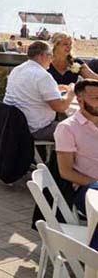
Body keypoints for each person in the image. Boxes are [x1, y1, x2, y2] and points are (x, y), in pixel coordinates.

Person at [3, 41, 75, 139]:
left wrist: (56, 88)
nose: (51, 60)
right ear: (42, 55)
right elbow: (60, 107)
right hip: (35, 128)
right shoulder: (42, 76)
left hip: (13, 124)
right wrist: (71, 92)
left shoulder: (18, 69)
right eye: (50, 55)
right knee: (78, 130)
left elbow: (31, 90)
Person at [55, 79, 98, 214]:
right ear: (79, 101)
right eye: (95, 98)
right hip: (88, 191)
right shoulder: (67, 128)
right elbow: (66, 172)